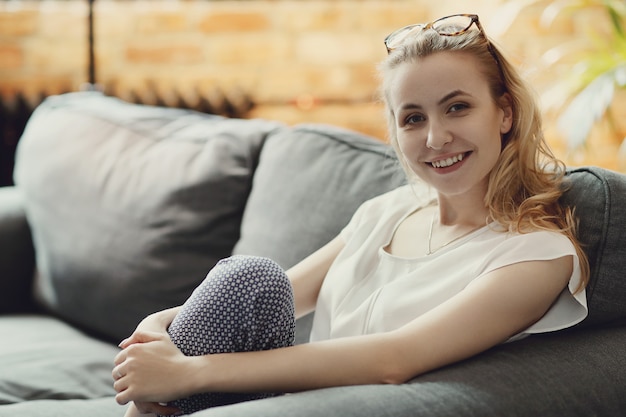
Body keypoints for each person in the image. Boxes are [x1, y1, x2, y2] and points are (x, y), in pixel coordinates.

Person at [112, 13, 590, 417]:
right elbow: (278, 292)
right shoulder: (388, 211)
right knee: (251, 277)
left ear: (503, 113)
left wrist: (187, 373)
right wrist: (160, 325)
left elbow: (396, 358)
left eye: (458, 108)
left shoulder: (538, 254)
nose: (436, 138)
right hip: (279, 404)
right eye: (413, 118)